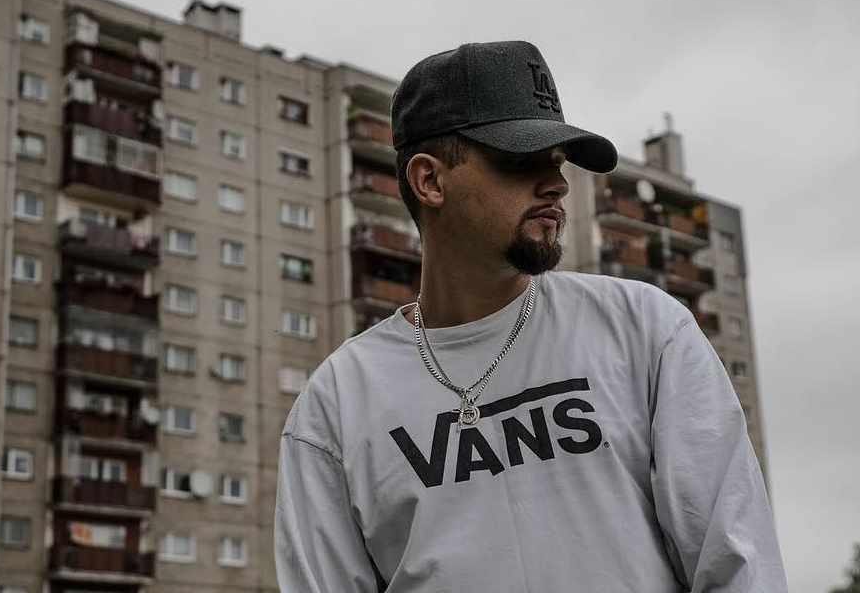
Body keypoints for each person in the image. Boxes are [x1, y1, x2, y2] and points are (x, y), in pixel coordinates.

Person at [274, 40, 787, 592]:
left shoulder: (644, 331)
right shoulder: (338, 403)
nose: (557, 184)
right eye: (520, 160)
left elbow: (739, 566)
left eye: (557, 162)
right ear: (430, 181)